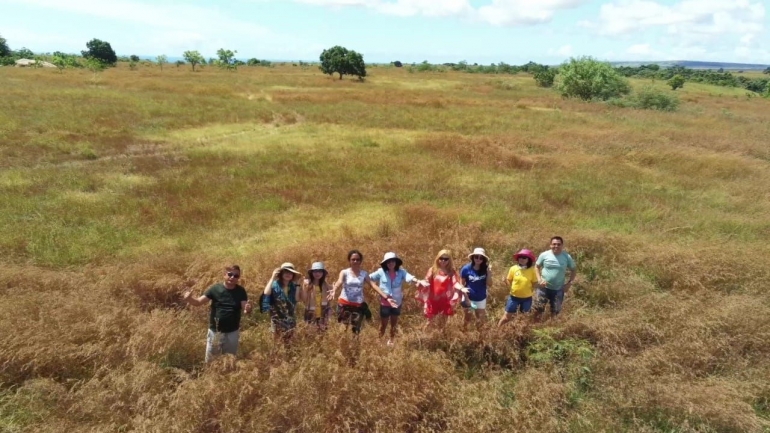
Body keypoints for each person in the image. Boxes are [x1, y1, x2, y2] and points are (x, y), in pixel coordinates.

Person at [183, 265, 251, 363]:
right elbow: (198, 302)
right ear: (224, 275)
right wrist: (189, 299)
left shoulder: (241, 291)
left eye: (236, 276)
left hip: (232, 332)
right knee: (211, 360)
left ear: (238, 278)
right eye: (230, 274)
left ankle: (227, 377)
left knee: (229, 360)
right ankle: (211, 376)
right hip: (215, 331)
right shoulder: (215, 289)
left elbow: (245, 308)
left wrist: (248, 309)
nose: (232, 277)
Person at [329, 250, 394, 335]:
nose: (355, 261)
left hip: (357, 305)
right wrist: (334, 289)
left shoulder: (364, 274)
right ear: (349, 261)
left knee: (356, 330)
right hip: (344, 304)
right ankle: (342, 346)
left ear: (360, 261)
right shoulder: (344, 272)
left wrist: (386, 297)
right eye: (353, 259)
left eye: (358, 259)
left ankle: (354, 347)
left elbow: (373, 285)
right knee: (343, 328)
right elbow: (339, 281)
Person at [369, 252, 423, 345]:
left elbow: (409, 277)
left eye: (392, 261)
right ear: (385, 263)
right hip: (385, 303)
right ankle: (379, 341)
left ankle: (391, 340)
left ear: (396, 262)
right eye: (388, 262)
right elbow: (369, 278)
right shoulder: (381, 272)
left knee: (394, 323)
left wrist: (417, 281)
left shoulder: (401, 272)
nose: (390, 263)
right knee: (383, 324)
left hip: (397, 302)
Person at [415, 249, 466, 329]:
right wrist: (421, 283)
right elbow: (426, 280)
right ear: (437, 258)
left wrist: (461, 288)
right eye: (441, 258)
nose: (443, 261)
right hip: (433, 300)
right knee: (430, 322)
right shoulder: (433, 270)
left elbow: (455, 283)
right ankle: (424, 337)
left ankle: (440, 336)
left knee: (443, 321)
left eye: (446, 259)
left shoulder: (451, 272)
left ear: (449, 260)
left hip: (444, 300)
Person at [534, 236, 577, 320]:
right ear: (550, 245)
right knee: (538, 310)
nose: (556, 246)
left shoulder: (566, 256)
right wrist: (539, 280)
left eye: (558, 244)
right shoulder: (544, 255)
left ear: (562, 245)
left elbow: (573, 269)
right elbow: (536, 267)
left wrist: (569, 283)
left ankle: (552, 327)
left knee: (555, 311)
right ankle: (536, 326)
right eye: (554, 244)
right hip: (543, 288)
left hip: (558, 289)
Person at [498, 249, 537, 327]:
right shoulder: (513, 268)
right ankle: (497, 331)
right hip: (513, 297)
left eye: (524, 257)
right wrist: (505, 281)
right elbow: (509, 282)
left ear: (528, 259)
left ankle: (519, 334)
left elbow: (534, 283)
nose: (521, 259)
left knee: (523, 318)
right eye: (520, 257)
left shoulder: (532, 270)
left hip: (527, 298)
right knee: (506, 317)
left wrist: (539, 284)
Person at [261, 262, 302, 336]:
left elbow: (297, 299)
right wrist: (272, 277)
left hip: (290, 319)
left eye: (290, 273)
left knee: (290, 343)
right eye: (285, 272)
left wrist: (298, 285)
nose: (288, 274)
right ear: (281, 273)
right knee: (277, 342)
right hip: (277, 319)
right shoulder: (274, 284)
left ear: (293, 275)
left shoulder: (293, 286)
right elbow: (266, 293)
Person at [460, 247, 491, 331]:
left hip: (481, 298)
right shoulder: (466, 268)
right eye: (476, 257)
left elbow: (489, 284)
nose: (478, 259)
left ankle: (479, 338)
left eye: (481, 258)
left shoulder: (485, 269)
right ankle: (464, 334)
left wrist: (489, 273)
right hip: (469, 298)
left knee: (480, 319)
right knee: (467, 318)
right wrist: (466, 298)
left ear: (483, 259)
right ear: (473, 257)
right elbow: (461, 284)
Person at [301, 261, 332, 328]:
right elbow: (304, 299)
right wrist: (304, 287)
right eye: (315, 271)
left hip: (323, 314)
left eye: (320, 271)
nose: (317, 273)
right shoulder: (307, 284)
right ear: (312, 273)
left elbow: (329, 300)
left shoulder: (325, 284)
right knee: (310, 335)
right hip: (311, 314)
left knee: (322, 335)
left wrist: (329, 314)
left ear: (323, 273)